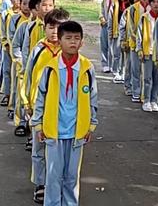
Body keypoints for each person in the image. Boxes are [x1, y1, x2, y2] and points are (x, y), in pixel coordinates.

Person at [31, 20, 98, 206]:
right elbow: (40, 97)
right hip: (54, 130)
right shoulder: (50, 68)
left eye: (77, 38)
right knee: (53, 176)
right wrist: (38, 124)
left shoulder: (87, 68)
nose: (73, 42)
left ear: (82, 42)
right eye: (68, 38)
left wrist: (91, 124)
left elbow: (93, 98)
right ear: (59, 41)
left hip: (77, 130)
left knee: (71, 176)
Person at [23, 8, 70, 204]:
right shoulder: (39, 50)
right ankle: (40, 183)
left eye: (59, 28)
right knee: (39, 147)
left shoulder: (68, 52)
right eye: (51, 27)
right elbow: (28, 76)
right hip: (39, 108)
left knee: (58, 150)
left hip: (61, 110)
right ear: (45, 28)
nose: (54, 31)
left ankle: (55, 184)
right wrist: (27, 102)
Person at [8, 0, 35, 130]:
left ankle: (33, 126)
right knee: (19, 93)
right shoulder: (21, 23)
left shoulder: (48, 28)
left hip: (37, 69)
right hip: (21, 64)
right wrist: (18, 59)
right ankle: (21, 122)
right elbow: (15, 43)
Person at [136, 0, 158, 113]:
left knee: (157, 78)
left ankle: (154, 100)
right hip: (148, 51)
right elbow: (139, 34)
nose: (156, 4)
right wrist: (139, 48)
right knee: (147, 77)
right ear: (150, 3)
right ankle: (146, 100)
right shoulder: (144, 17)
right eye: (153, 2)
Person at [0, 0, 24, 109]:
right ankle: (7, 95)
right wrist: (5, 44)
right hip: (7, 47)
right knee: (7, 71)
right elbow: (3, 31)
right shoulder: (6, 13)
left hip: (19, 51)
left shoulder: (25, 17)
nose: (18, 1)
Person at [127, 0, 151, 102]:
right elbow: (131, 27)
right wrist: (138, 40)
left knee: (147, 73)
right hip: (135, 43)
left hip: (150, 45)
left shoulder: (153, 7)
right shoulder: (133, 9)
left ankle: (146, 95)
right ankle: (136, 92)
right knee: (135, 69)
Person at [108, 0, 130, 84]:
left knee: (125, 53)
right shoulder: (115, 2)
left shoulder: (130, 3)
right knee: (116, 53)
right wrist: (110, 32)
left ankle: (123, 72)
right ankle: (116, 71)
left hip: (127, 32)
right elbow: (110, 17)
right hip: (117, 31)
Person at [119, 0, 138, 96]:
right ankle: (128, 86)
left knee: (138, 69)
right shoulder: (129, 10)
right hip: (129, 42)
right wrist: (123, 40)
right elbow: (122, 26)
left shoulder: (144, 10)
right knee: (129, 65)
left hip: (141, 44)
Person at [99, 0, 118, 73]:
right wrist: (101, 18)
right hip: (104, 24)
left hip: (114, 25)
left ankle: (112, 65)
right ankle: (105, 64)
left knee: (113, 46)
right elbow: (102, 8)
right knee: (104, 45)